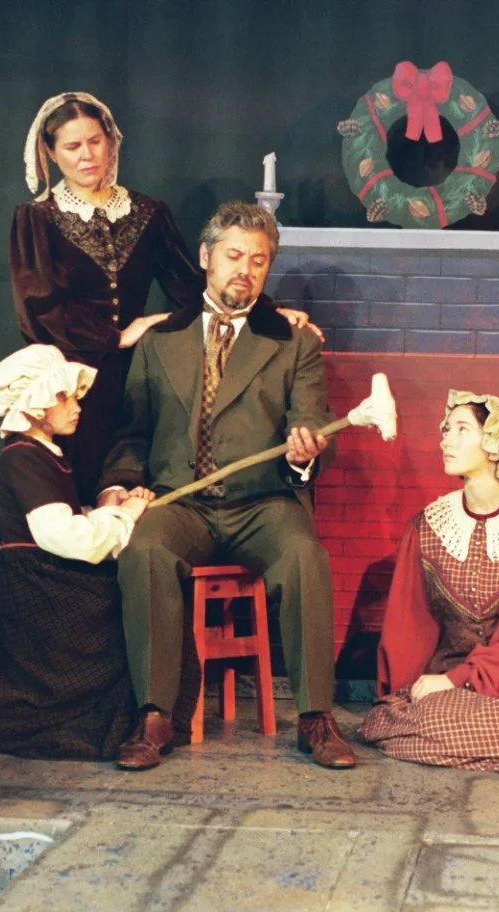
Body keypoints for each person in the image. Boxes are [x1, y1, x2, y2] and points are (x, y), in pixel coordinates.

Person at [99, 200, 354, 771]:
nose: (246, 269)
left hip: (263, 504)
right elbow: (132, 433)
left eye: (258, 261)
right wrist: (117, 487)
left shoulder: (294, 343)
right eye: (234, 256)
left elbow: (314, 421)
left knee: (305, 554)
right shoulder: (161, 338)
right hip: (182, 503)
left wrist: (307, 451)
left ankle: (316, 717)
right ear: (206, 258)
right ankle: (154, 715)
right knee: (143, 550)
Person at [12, 92, 316, 504]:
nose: (87, 155)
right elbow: (39, 312)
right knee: (73, 499)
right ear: (49, 152)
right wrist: (116, 336)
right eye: (72, 146)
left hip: (135, 377)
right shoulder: (37, 219)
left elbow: (194, 284)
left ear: (111, 142)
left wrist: (270, 311)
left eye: (95, 141)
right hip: (68, 384)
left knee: (130, 488)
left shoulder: (145, 213)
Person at [359, 392, 499, 774]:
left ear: (496, 442)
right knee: (428, 716)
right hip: (453, 670)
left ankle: (451, 742)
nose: (445, 439)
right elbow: (408, 622)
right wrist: (404, 692)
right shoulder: (427, 526)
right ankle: (477, 743)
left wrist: (457, 679)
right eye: (446, 430)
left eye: (462, 429)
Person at [0, 345, 154, 758]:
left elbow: (62, 519)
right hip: (34, 586)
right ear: (36, 404)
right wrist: (127, 516)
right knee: (118, 601)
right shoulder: (24, 459)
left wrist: (107, 510)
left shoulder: (42, 454)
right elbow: (63, 537)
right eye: (64, 396)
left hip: (44, 574)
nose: (75, 405)